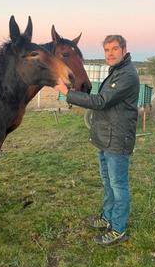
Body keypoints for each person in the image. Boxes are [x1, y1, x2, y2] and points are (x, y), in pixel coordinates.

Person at [54, 35, 140, 246]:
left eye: (114, 49)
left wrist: (67, 93)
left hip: (117, 141)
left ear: (124, 49)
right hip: (106, 138)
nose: (110, 54)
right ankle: (107, 217)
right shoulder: (116, 72)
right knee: (108, 182)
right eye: (106, 50)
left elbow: (101, 101)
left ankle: (118, 229)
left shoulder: (127, 75)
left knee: (118, 186)